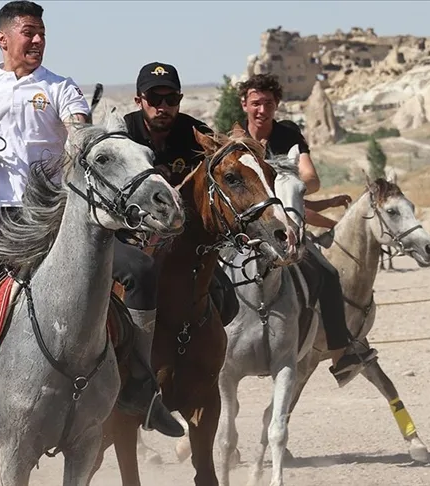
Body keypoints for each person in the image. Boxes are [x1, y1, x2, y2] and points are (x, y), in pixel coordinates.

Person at [0, 1, 172, 456]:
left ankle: (141, 386)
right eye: (29, 32)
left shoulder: (61, 88)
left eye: (42, 32)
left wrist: (85, 138)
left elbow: (79, 132)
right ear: (3, 38)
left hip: (56, 218)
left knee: (140, 271)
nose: (38, 40)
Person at [111, 62, 239, 434]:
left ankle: (196, 376)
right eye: (154, 98)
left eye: (171, 98)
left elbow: (224, 166)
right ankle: (118, 377)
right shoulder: (124, 134)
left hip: (183, 246)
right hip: (129, 239)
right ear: (140, 100)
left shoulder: (194, 133)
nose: (163, 106)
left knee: (225, 299)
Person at [236, 73, 378, 387]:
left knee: (326, 274)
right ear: (244, 104)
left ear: (277, 105)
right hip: (248, 228)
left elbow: (310, 181)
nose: (262, 110)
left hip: (286, 223)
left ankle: (341, 355)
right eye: (256, 103)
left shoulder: (287, 133)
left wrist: (285, 180)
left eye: (269, 103)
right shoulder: (235, 138)